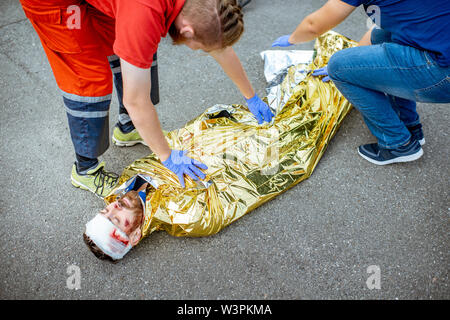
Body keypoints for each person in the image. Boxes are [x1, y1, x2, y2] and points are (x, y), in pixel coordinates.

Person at [20, 0, 274, 198]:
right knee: (89, 78)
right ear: (187, 30)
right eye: (200, 48)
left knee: (133, 51)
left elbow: (219, 45)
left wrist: (250, 96)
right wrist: (167, 156)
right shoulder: (143, 13)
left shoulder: (201, 7)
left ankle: (128, 129)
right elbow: (136, 100)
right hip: (55, 4)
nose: (198, 51)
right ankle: (85, 169)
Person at [272, 0, 450, 165]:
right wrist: (355, 67)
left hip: (442, 71)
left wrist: (292, 39)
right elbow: (377, 32)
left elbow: (313, 26)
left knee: (337, 66)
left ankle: (397, 144)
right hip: (442, 50)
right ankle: (410, 127)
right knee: (384, 35)